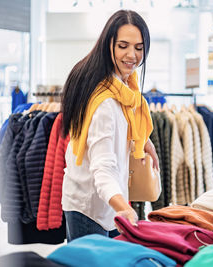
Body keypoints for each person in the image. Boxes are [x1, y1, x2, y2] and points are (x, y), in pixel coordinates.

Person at [61, 10, 159, 242]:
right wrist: (124, 207)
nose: (132, 55)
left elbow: (122, 125)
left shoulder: (123, 87)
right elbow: (102, 167)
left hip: (108, 203)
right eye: (123, 45)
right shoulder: (105, 102)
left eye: (139, 47)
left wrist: (144, 140)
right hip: (91, 206)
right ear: (109, 45)